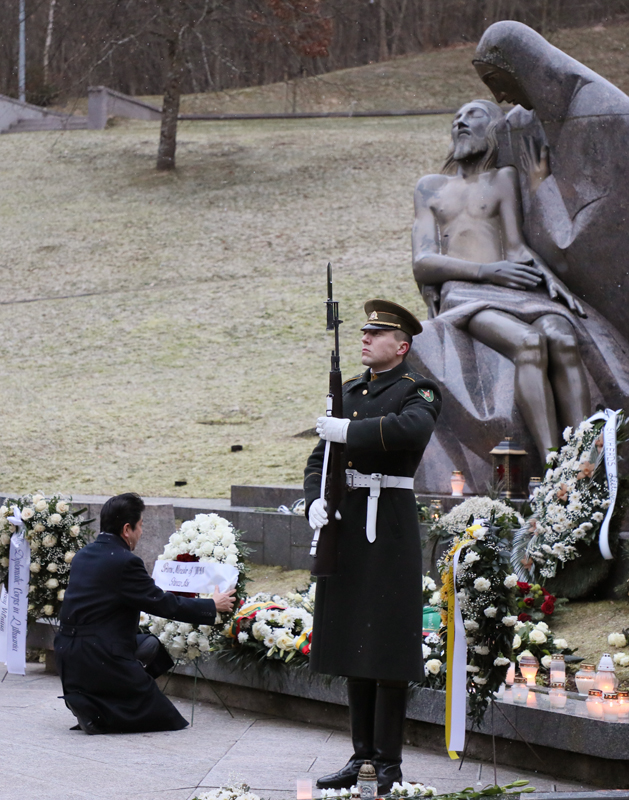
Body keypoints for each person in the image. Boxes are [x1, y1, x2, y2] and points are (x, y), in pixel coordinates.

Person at [304, 299, 441, 794]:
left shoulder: (417, 390)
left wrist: (349, 430)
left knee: (384, 642)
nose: (364, 339)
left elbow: (413, 430)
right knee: (352, 643)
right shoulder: (350, 390)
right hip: (347, 522)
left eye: (376, 334)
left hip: (390, 527)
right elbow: (320, 458)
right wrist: (313, 503)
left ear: (401, 346)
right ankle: (360, 758)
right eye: (362, 332)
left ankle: (388, 764)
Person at [412, 98, 591, 463]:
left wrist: (546, 275)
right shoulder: (430, 188)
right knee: (528, 343)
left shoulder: (503, 178)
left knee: (562, 337)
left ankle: (589, 459)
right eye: (456, 117)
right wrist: (485, 271)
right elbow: (423, 262)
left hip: (515, 288)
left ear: (494, 129)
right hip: (465, 295)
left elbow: (516, 246)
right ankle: (557, 464)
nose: (459, 122)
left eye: (472, 115)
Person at [54, 492, 236, 734]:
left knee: (151, 646)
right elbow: (164, 604)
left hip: (69, 654)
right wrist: (212, 605)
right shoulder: (125, 561)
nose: (141, 532)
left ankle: (93, 702)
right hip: (97, 655)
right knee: (166, 719)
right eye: (140, 526)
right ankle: (97, 713)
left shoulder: (84, 555)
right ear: (127, 529)